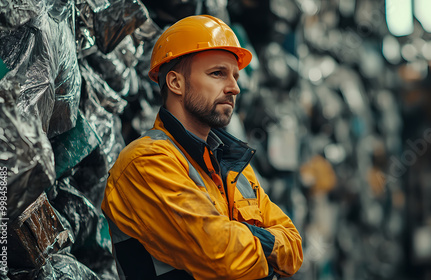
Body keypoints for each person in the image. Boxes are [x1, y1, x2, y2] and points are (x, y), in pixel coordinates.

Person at [101, 15, 303, 280]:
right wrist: (267, 244)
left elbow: (295, 248)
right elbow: (221, 256)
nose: (234, 88)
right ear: (176, 83)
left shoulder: (232, 165)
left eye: (235, 76)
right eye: (218, 73)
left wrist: (244, 241)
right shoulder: (146, 162)